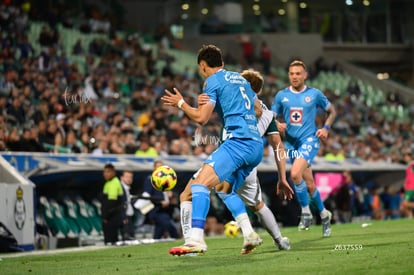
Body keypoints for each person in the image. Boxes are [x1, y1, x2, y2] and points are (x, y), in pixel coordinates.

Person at [161, 44, 264, 256]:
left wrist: (181, 103)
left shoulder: (212, 82)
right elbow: (258, 109)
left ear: (203, 66)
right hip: (255, 146)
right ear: (223, 64)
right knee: (221, 190)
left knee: (200, 185)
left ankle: (196, 240)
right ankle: (249, 234)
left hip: (237, 143)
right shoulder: (241, 79)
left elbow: (201, 118)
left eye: (201, 68)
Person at [178, 69, 293, 254]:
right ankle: (278, 239)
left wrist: (193, 102)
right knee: (256, 204)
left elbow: (204, 115)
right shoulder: (267, 114)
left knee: (201, 191)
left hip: (232, 153)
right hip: (250, 161)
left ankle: (195, 240)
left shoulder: (233, 99)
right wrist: (282, 177)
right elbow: (278, 146)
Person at [271, 60, 336, 237]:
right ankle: (324, 215)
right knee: (309, 184)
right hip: (291, 143)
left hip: (310, 140)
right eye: (292, 74)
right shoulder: (281, 96)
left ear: (305, 75)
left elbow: (333, 111)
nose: (295, 77)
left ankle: (306, 212)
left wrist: (326, 128)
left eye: (298, 73)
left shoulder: (314, 94)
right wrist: (278, 124)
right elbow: (271, 117)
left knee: (294, 174)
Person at [142, 160, 180, 239]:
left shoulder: (167, 178)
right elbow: (147, 195)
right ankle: (177, 238)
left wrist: (172, 194)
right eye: (158, 167)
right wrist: (159, 202)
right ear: (154, 168)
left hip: (167, 209)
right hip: (156, 209)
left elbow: (175, 192)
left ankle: (154, 243)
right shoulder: (150, 179)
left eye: (161, 167)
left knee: (159, 230)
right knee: (168, 225)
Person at [100, 163, 124, 245]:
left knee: (110, 241)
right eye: (104, 172)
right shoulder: (108, 183)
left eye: (108, 172)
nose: (105, 174)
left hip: (112, 217)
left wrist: (105, 217)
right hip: (111, 216)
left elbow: (111, 203)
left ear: (114, 173)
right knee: (111, 240)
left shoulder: (114, 183)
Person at [120, 171, 135, 240]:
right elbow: (120, 204)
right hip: (124, 217)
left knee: (131, 236)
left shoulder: (128, 188)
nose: (129, 179)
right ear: (122, 178)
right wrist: (123, 217)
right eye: (127, 177)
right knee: (127, 237)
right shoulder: (120, 188)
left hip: (129, 216)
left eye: (130, 177)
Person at [401, 153, 414, 218]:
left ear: (410, 157)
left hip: (411, 187)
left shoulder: (412, 164)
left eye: (406, 157)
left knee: (405, 203)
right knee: (405, 205)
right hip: (408, 188)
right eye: (404, 157)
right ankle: (410, 217)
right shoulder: (408, 165)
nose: (405, 158)